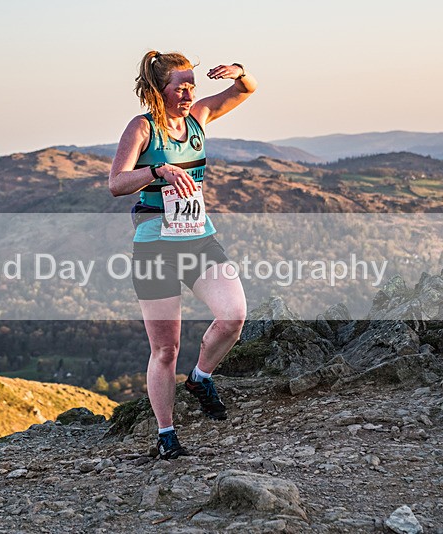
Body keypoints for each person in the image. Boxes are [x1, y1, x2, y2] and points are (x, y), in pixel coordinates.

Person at [109, 50, 257, 459]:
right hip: (155, 244)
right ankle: (167, 435)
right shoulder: (142, 128)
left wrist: (240, 72)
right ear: (161, 89)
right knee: (165, 349)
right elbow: (117, 184)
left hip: (198, 238)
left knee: (233, 316)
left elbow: (246, 90)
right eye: (182, 86)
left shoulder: (198, 119)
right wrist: (157, 171)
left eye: (194, 84)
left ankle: (200, 377)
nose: (191, 92)